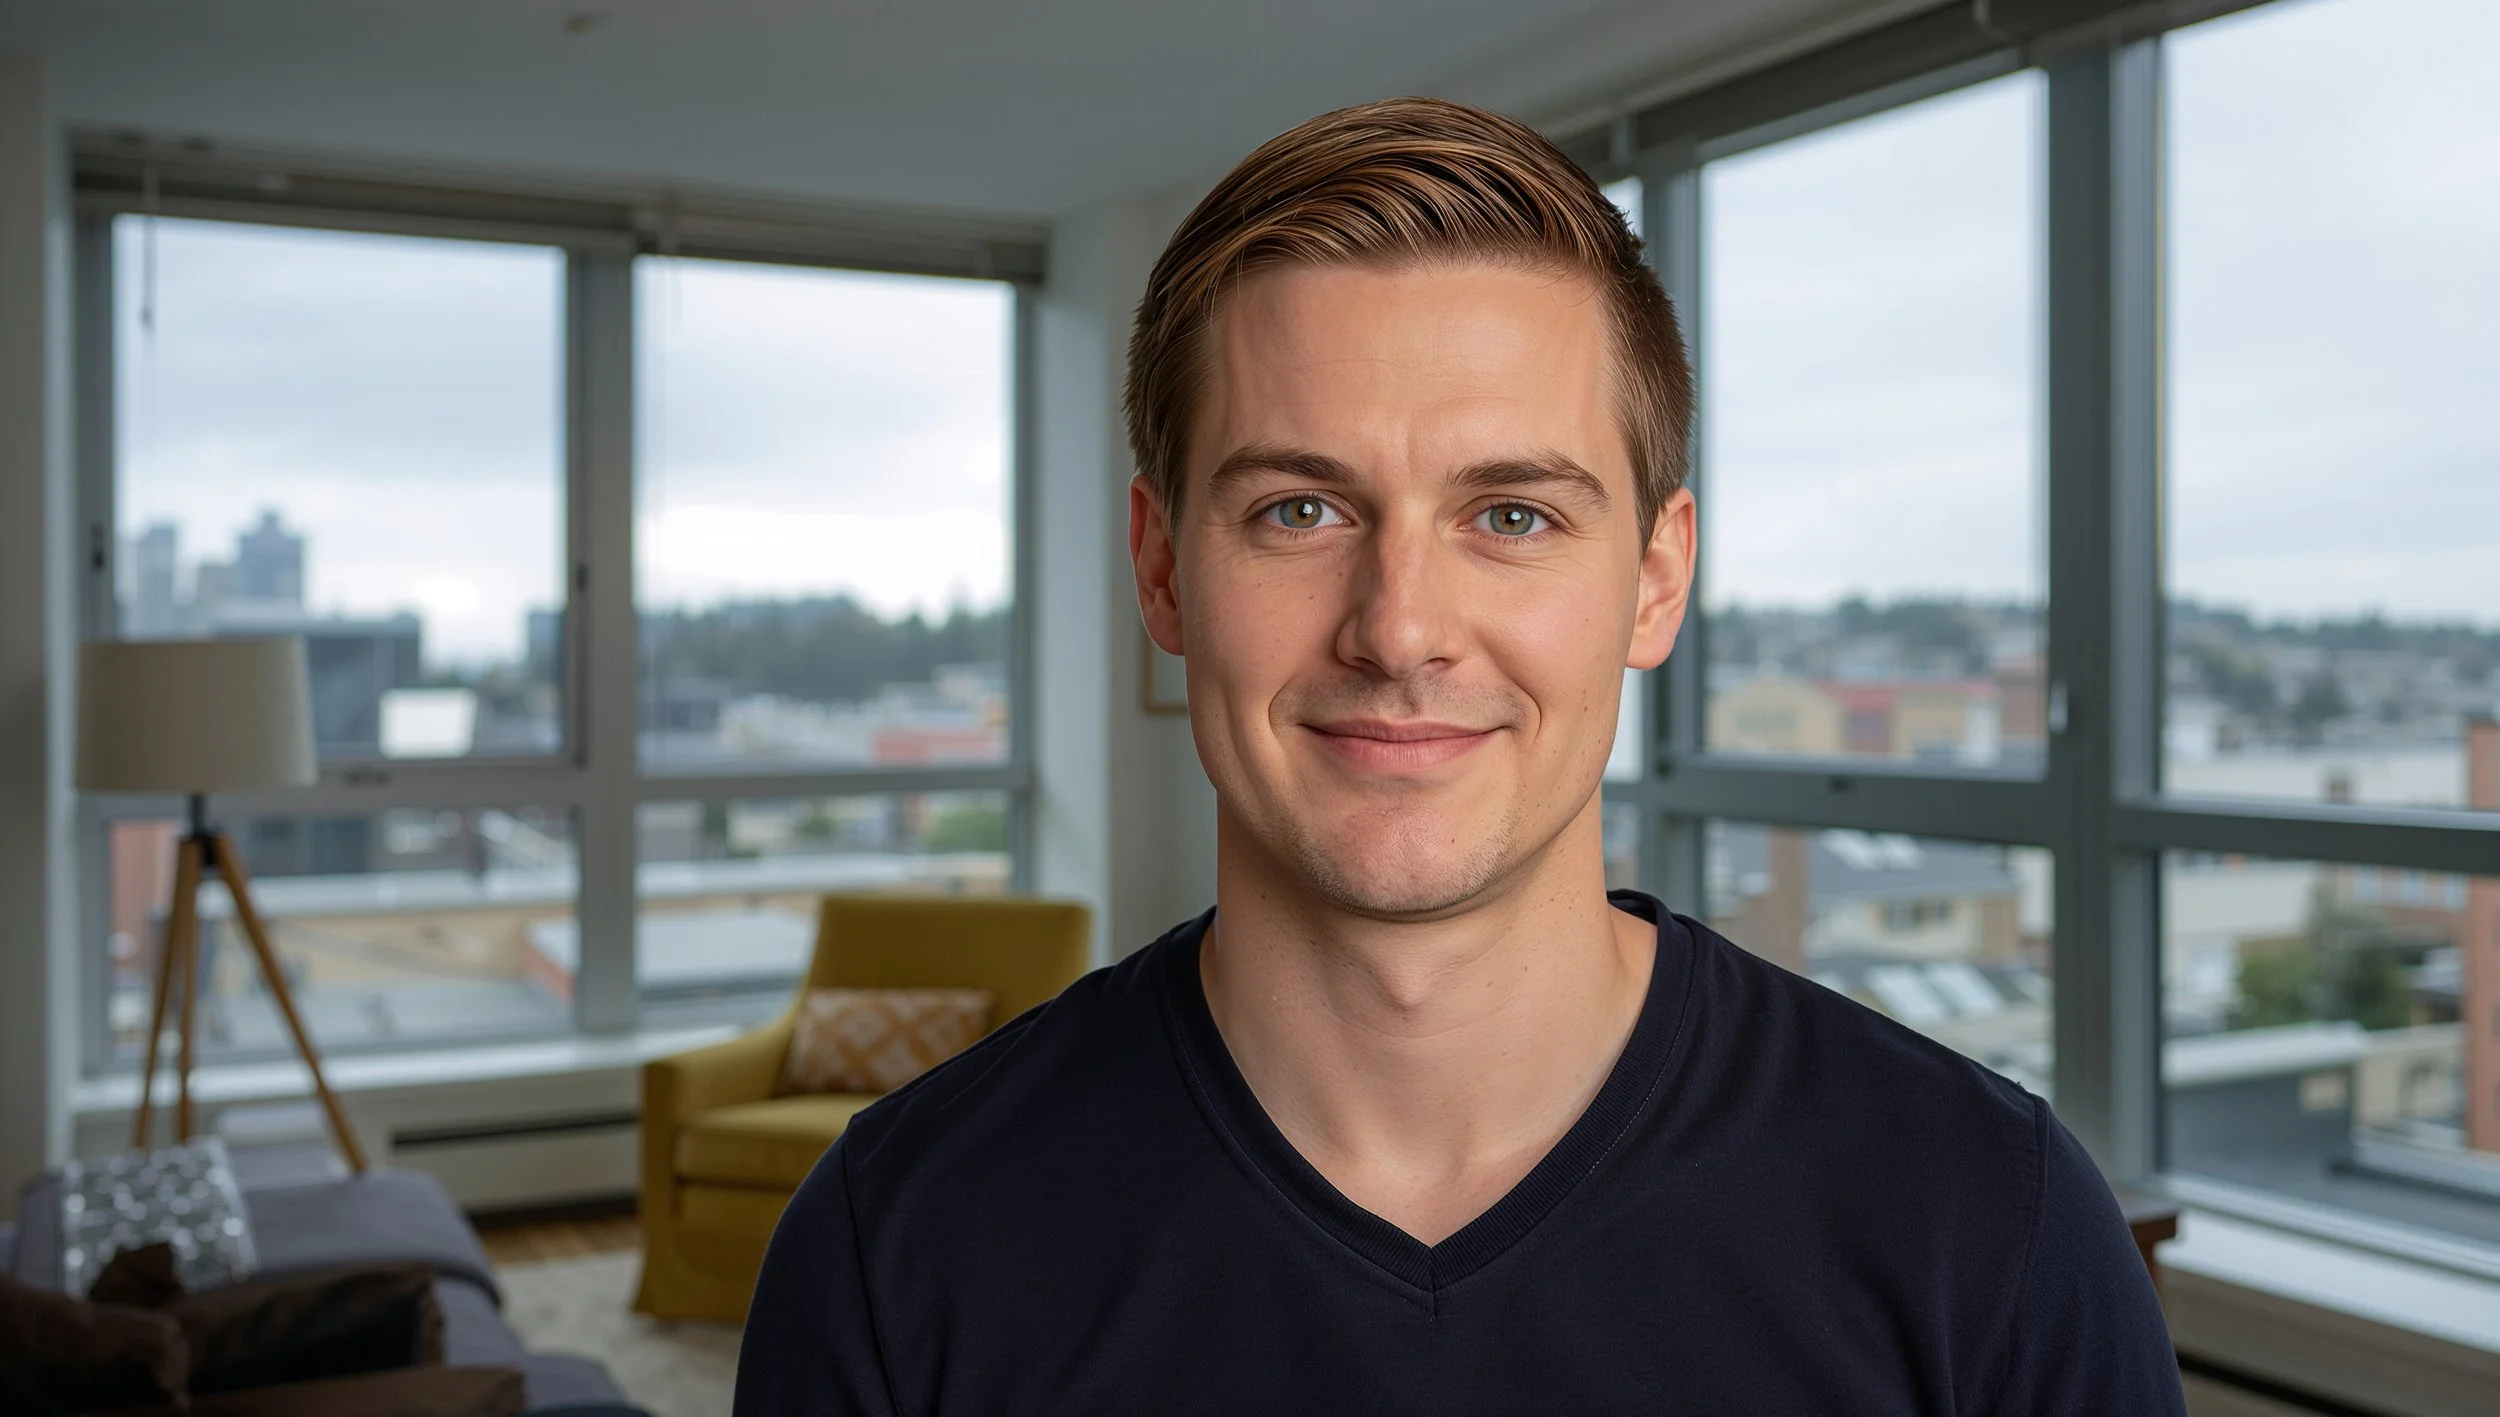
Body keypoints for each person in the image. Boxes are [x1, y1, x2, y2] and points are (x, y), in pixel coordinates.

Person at [735, 96, 2184, 1415]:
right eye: (1300, 511)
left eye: (1513, 516)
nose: (1401, 628)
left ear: (1658, 577)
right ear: (1163, 571)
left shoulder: (1993, 1225)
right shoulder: (899, 1243)